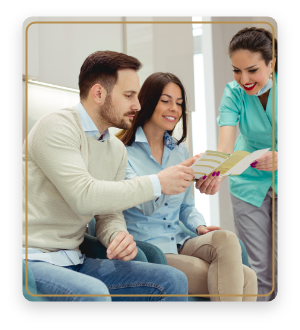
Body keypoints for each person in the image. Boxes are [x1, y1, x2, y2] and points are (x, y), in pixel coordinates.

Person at [22, 51, 193, 302]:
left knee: (172, 279)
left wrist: (116, 236)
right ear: (99, 93)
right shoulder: (57, 127)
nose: (137, 104)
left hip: (74, 259)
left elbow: (108, 212)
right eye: (129, 95)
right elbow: (84, 196)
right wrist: (157, 182)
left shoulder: (114, 149)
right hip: (32, 259)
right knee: (95, 294)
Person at [116, 72, 258, 302]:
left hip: (181, 240)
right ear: (148, 101)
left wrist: (199, 226)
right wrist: (171, 176)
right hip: (150, 249)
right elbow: (144, 205)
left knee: (227, 240)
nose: (174, 108)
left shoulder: (179, 151)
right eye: (166, 101)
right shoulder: (122, 151)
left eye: (179, 103)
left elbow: (186, 207)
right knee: (246, 278)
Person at [196, 27, 278, 302]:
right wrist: (217, 174)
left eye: (252, 70)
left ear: (272, 63)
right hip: (248, 181)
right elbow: (225, 147)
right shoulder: (233, 93)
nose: (244, 79)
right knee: (259, 270)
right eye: (236, 70)